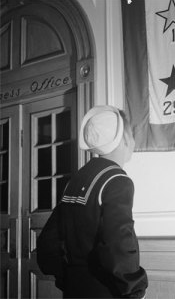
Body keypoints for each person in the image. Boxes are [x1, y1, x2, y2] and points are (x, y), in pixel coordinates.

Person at [59, 105, 148, 298]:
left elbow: (49, 243)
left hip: (74, 290)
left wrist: (69, 279)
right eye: (131, 134)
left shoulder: (74, 181)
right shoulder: (117, 181)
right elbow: (118, 245)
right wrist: (135, 290)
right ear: (124, 138)